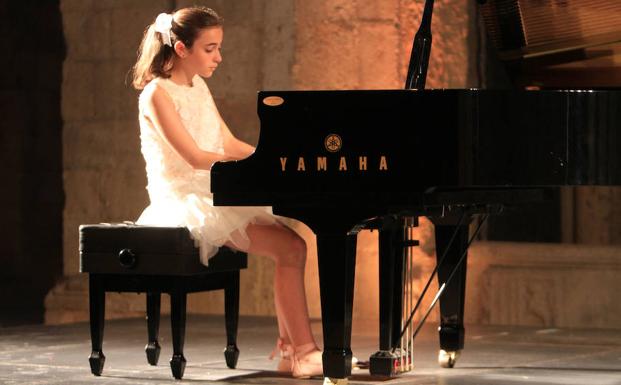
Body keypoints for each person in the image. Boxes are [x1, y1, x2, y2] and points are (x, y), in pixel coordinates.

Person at [131, 7, 323, 378]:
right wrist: (254, 170)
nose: (219, 57)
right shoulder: (157, 94)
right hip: (184, 200)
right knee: (291, 247)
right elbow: (194, 157)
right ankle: (302, 350)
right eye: (210, 48)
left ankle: (292, 352)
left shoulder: (197, 85)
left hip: (211, 189)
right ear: (183, 49)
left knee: (293, 246)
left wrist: (271, 160)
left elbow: (228, 142)